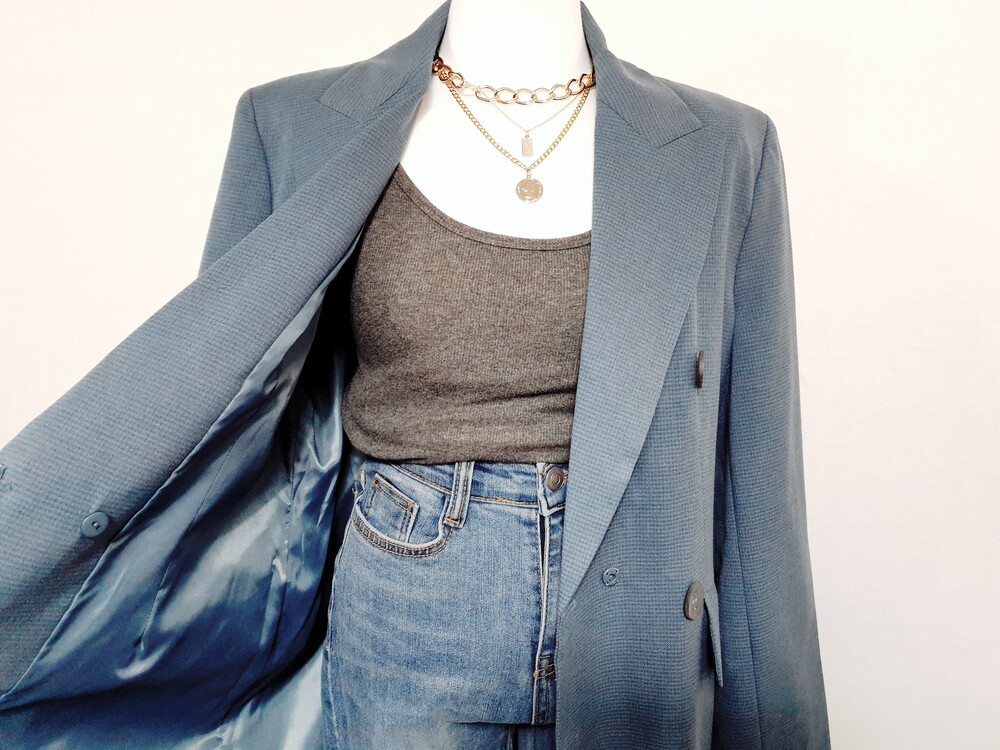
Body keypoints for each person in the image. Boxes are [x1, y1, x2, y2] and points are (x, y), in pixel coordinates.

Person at [0, 1, 831, 748]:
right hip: (409, 606)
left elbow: (758, 490)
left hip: (640, 624)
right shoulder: (289, 123)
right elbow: (218, 417)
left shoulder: (727, 147)